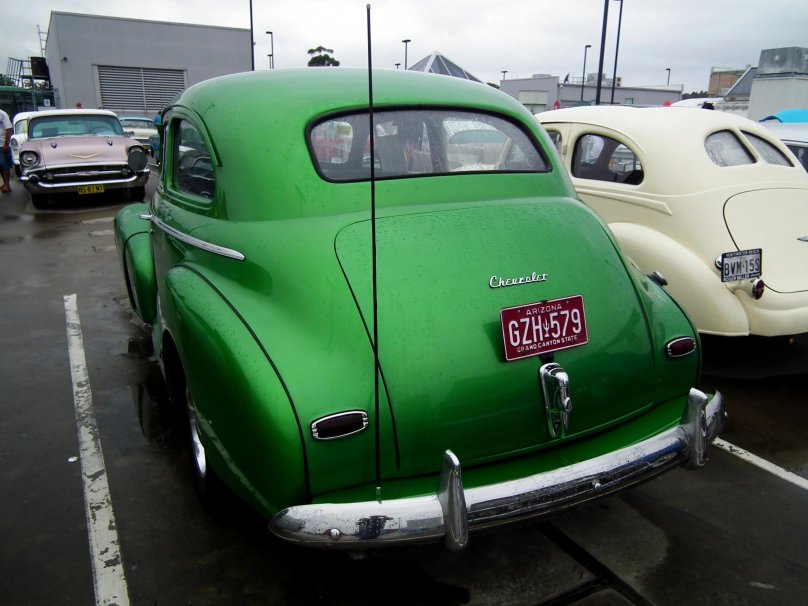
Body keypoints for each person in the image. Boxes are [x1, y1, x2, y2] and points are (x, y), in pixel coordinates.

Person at [0, 108, 13, 194]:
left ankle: (7, 185)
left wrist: (6, 143)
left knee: (4, 164)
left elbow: (8, 129)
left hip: (2, 144)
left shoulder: (2, 114)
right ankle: (4, 183)